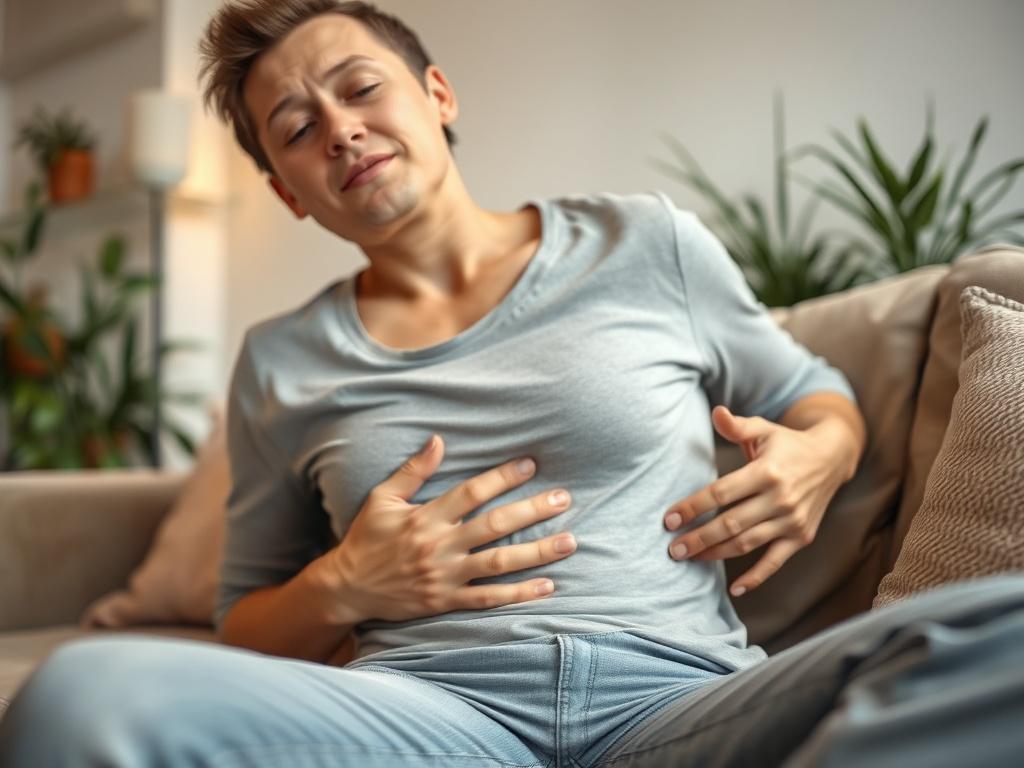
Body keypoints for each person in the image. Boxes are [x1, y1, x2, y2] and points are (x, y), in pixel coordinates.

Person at [1, 2, 1022, 766]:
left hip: (678, 707)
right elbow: (245, 617)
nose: (339, 131)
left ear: (436, 96)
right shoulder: (280, 360)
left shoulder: (644, 242)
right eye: (295, 129)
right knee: (80, 697)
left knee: (1003, 627)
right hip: (433, 721)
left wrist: (821, 451)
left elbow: (811, 391)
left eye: (359, 89)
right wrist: (344, 585)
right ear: (286, 192)